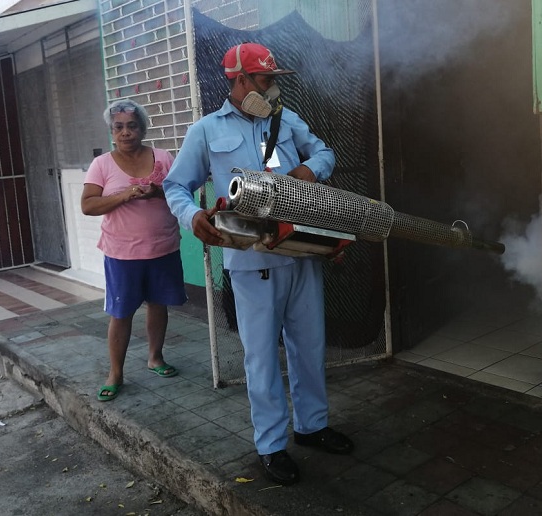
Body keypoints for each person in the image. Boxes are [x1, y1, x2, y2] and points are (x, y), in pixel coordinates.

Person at [163, 42, 353, 485]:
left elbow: (324, 153)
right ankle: (271, 446)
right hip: (251, 259)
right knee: (262, 358)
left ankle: (312, 426)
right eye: (265, 79)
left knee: (309, 346)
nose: (271, 88)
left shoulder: (285, 120)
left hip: (302, 249)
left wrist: (307, 172)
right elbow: (176, 186)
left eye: (273, 80)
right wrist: (192, 216)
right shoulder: (206, 131)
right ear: (240, 80)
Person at [82, 99, 187, 402]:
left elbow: (181, 191)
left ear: (142, 128)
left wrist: (159, 191)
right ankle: (115, 373)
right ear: (112, 132)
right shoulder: (102, 164)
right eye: (119, 127)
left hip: (163, 247)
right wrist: (125, 194)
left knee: (158, 304)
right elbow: (88, 205)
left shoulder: (164, 157)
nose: (126, 132)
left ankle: (155, 357)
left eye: (132, 126)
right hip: (122, 253)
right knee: (121, 311)